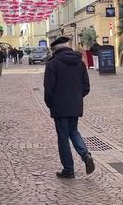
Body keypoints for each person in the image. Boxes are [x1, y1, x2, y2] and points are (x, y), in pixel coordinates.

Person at [44, 37, 95, 179]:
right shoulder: (80, 63)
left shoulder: (52, 64)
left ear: (55, 49)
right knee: (74, 131)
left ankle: (69, 169)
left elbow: (48, 89)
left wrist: (51, 104)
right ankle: (85, 155)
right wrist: (77, 98)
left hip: (59, 106)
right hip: (75, 105)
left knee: (63, 138)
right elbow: (86, 87)